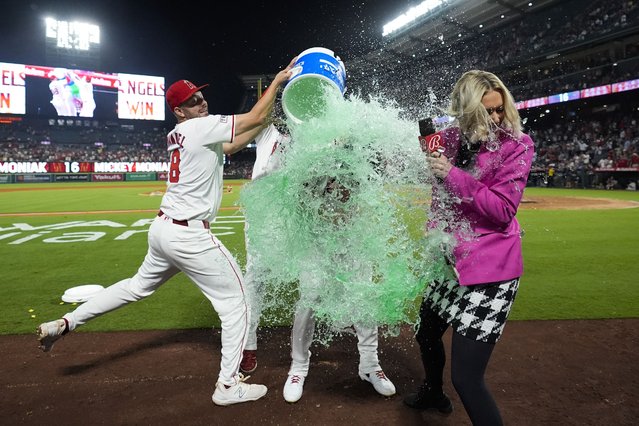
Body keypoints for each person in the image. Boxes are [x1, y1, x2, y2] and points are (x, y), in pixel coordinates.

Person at [36, 57, 295, 406]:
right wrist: (278, 82)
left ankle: (66, 323)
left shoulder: (186, 133)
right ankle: (228, 386)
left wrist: (269, 120)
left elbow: (233, 144)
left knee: (135, 287)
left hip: (163, 231)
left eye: (201, 97)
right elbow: (253, 118)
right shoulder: (198, 128)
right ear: (179, 111)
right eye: (192, 102)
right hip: (190, 236)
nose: (201, 102)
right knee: (237, 303)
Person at [404, 70, 534, 425]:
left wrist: (451, 174)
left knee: (467, 378)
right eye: (486, 112)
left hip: (491, 272)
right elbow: (424, 135)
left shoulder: (517, 145)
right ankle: (433, 392)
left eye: (499, 109)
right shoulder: (449, 136)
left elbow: (503, 210)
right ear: (467, 112)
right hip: (451, 262)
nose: (496, 118)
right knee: (426, 330)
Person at [239, 126, 396, 403]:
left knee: (363, 298)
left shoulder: (353, 137)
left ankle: (370, 365)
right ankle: (298, 366)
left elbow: (375, 174)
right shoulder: (306, 144)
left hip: (353, 234)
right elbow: (296, 192)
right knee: (309, 299)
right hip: (317, 235)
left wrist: (352, 147)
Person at [240, 121, 290, 374]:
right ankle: (248, 344)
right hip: (263, 213)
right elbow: (258, 114)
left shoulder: (316, 135)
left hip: (296, 212)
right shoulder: (269, 131)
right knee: (256, 277)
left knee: (317, 268)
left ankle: (341, 318)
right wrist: (282, 80)